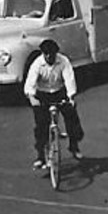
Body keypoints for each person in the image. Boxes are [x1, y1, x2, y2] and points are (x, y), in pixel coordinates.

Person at [23, 39, 82, 168]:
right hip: (42, 95)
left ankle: (74, 146)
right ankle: (41, 156)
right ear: (43, 54)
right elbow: (30, 84)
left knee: (72, 117)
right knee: (41, 126)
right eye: (46, 54)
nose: (49, 57)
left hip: (59, 91)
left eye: (52, 54)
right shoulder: (37, 64)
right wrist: (33, 99)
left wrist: (71, 96)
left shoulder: (63, 61)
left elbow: (69, 79)